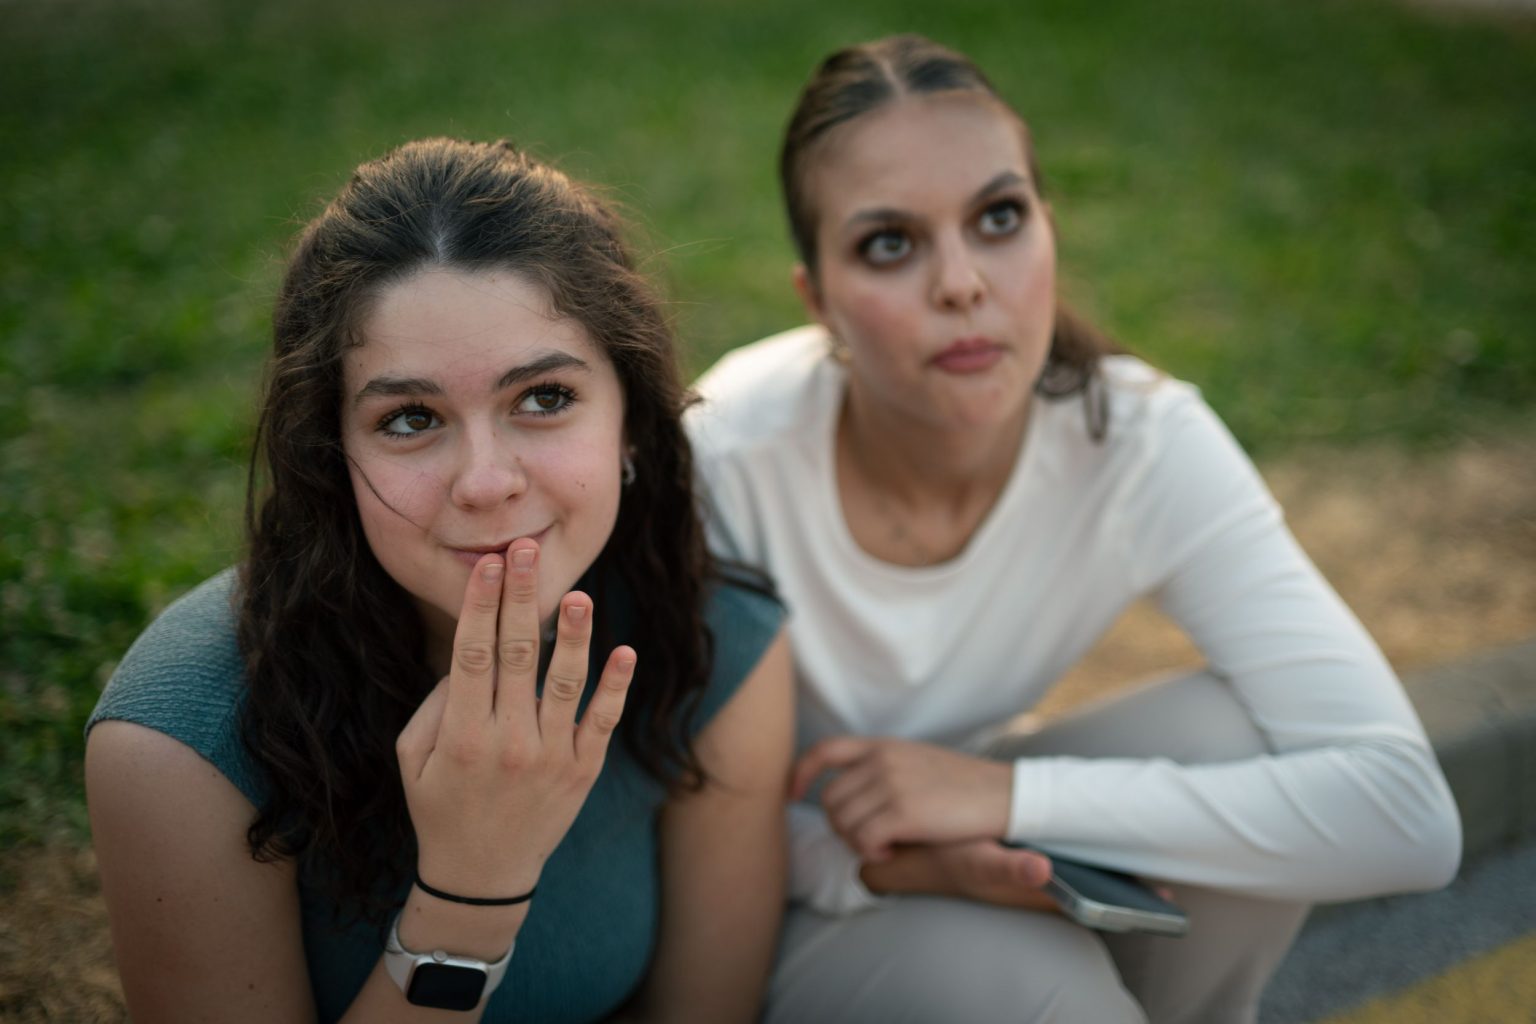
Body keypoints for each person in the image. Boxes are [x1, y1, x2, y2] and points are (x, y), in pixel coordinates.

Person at [685, 35, 1462, 1023]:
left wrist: (1006, 800)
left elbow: (1407, 814)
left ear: (1049, 231)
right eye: (889, 243)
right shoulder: (729, 460)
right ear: (819, 302)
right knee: (1035, 988)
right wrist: (903, 862)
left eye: (999, 218)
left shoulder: (1135, 440)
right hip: (767, 895)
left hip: (966, 814)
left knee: (1235, 736)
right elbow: (656, 816)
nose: (962, 283)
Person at [85, 137, 793, 1023]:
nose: (485, 482)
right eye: (411, 418)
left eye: (544, 398)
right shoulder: (179, 746)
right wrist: (469, 892)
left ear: (631, 424)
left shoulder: (717, 646)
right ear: (330, 455)